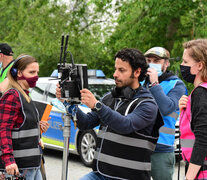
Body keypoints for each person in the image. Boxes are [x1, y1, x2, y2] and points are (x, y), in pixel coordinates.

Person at [56, 48, 163, 180]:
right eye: (115, 69)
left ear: (137, 72)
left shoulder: (147, 104)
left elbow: (126, 125)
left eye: (121, 70)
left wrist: (97, 105)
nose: (115, 74)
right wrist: (69, 103)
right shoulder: (110, 98)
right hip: (100, 174)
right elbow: (86, 123)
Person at [0, 55, 49, 180]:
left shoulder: (25, 96)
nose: (36, 76)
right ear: (19, 73)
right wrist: (8, 160)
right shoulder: (12, 96)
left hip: (33, 165)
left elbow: (21, 126)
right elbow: (3, 130)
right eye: (31, 72)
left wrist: (38, 128)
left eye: (37, 72)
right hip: (19, 168)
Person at [143, 47, 187, 180]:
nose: (151, 64)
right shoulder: (139, 82)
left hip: (161, 147)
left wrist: (154, 83)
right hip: (139, 146)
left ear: (166, 63)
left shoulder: (176, 85)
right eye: (148, 60)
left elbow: (166, 108)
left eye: (156, 61)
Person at [179, 39, 207, 180]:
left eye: (185, 62)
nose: (181, 66)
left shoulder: (200, 94)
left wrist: (189, 177)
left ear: (200, 65)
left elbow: (203, 138)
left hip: (201, 171)